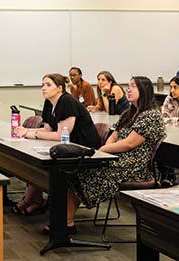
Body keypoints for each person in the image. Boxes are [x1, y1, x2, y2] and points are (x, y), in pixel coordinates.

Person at [64, 77, 165, 233]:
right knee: (75, 170)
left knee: (83, 173)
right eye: (129, 86)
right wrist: (106, 149)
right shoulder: (129, 112)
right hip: (117, 158)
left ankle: (66, 223)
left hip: (135, 165)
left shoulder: (151, 116)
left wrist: (104, 150)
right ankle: (66, 221)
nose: (128, 89)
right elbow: (114, 135)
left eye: (133, 86)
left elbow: (129, 143)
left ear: (144, 91)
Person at [12, 73, 100, 215]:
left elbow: (61, 135)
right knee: (34, 162)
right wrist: (26, 130)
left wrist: (31, 134)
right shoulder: (49, 102)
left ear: (60, 88)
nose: (44, 88)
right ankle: (33, 199)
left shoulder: (66, 102)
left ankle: (33, 201)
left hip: (83, 149)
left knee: (43, 165)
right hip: (66, 147)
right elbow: (48, 129)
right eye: (42, 85)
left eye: (48, 85)